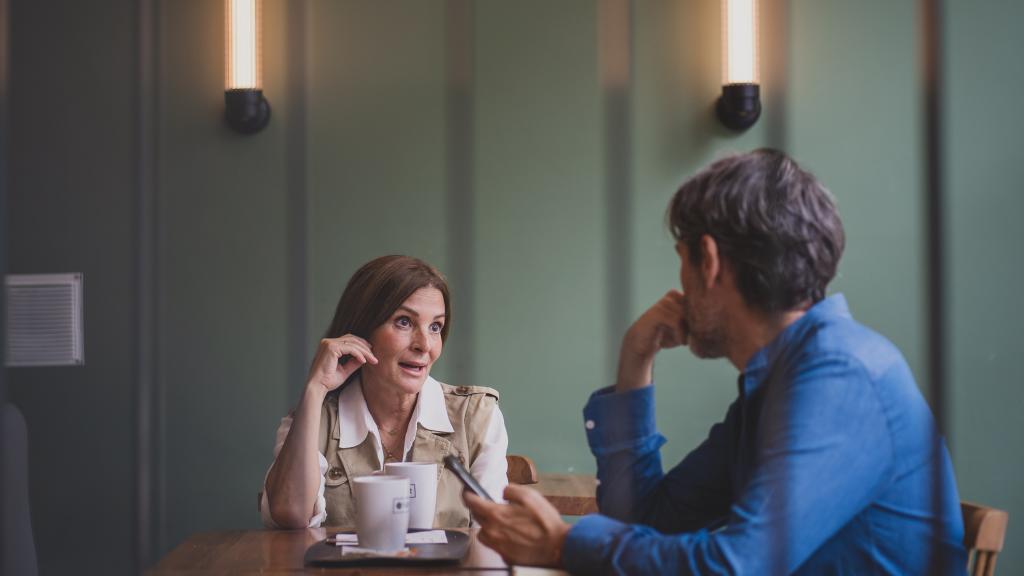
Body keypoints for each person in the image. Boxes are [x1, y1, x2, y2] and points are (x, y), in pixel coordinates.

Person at [465, 149, 967, 574]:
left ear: (708, 260)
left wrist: (561, 545)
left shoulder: (841, 376)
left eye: (681, 261)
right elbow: (645, 520)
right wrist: (635, 361)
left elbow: (736, 565)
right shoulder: (779, 382)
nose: (679, 285)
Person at [262, 255, 508, 529]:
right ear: (361, 331)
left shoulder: (477, 417)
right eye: (404, 322)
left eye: (435, 326)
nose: (425, 345)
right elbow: (290, 515)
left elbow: (495, 535)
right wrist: (315, 387)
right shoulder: (313, 420)